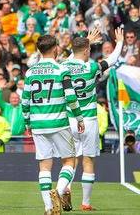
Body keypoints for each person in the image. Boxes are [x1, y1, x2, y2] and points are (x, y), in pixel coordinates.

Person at [61, 27, 123, 211]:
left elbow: (73, 56)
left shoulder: (64, 65)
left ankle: (66, 188)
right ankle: (86, 203)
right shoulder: (92, 67)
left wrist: (85, 41)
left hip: (69, 119)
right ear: (87, 50)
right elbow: (111, 60)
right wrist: (119, 42)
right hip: (87, 120)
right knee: (88, 161)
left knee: (70, 161)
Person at [22, 35, 85, 215]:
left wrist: (27, 122)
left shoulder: (30, 72)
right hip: (58, 122)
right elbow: (71, 97)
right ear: (55, 48)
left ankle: (48, 207)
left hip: (38, 124)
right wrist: (79, 118)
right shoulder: (61, 70)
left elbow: (25, 101)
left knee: (44, 166)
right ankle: (57, 192)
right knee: (69, 162)